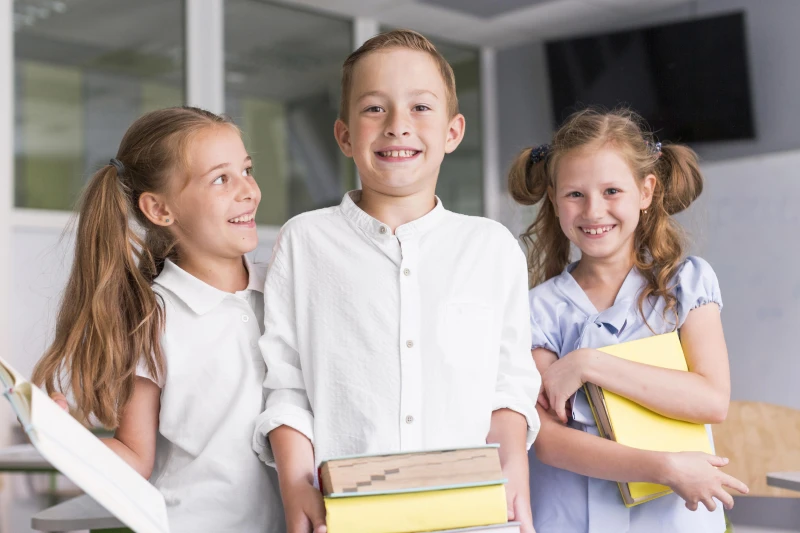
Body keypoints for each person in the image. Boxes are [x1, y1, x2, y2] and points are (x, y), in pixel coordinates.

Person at [253, 30, 541, 533]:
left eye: (420, 108)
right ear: (344, 136)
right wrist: (295, 483)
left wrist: (513, 468)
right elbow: (286, 383)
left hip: (471, 516)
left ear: (453, 132)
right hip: (345, 517)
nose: (397, 126)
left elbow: (509, 386)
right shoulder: (304, 242)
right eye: (374, 109)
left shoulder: (492, 248)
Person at [33, 106, 284, 532]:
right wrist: (62, 440)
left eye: (247, 169)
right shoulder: (152, 317)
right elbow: (134, 456)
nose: (250, 190)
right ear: (160, 209)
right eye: (222, 178)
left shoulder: (284, 291)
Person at [508, 107, 749, 533]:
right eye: (575, 194)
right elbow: (548, 442)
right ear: (553, 197)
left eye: (612, 191)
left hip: (673, 520)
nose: (593, 211)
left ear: (646, 191)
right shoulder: (535, 309)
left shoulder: (685, 285)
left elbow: (711, 399)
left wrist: (588, 363)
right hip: (569, 519)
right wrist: (666, 468)